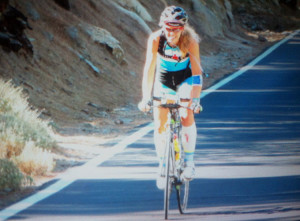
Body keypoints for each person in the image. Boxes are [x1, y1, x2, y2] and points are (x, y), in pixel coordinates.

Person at [138, 6, 203, 189]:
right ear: (162, 26)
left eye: (175, 28)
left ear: (182, 28)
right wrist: (146, 97)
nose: (171, 32)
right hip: (164, 80)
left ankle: (189, 162)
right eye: (167, 27)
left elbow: (197, 74)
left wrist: (195, 99)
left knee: (185, 114)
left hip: (186, 79)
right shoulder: (156, 39)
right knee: (159, 122)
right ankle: (163, 166)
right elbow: (149, 70)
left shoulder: (191, 41)